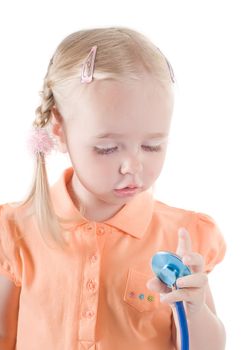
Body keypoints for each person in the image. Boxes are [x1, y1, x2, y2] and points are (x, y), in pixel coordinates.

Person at [0, 27, 226, 350]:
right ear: (59, 129)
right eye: (107, 148)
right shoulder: (16, 231)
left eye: (152, 146)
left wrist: (195, 308)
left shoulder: (181, 238)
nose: (132, 166)